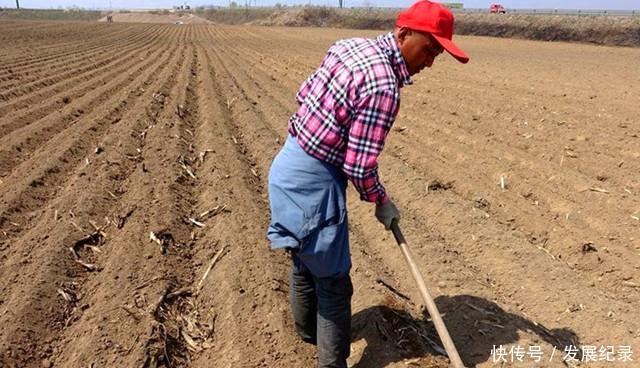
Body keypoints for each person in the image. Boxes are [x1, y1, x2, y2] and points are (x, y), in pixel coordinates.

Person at [267, 1, 469, 366]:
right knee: (333, 283)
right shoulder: (383, 87)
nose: (430, 62)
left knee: (302, 258)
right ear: (404, 33)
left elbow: (303, 96)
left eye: (438, 53)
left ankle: (308, 335)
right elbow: (359, 166)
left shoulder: (347, 45)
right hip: (315, 184)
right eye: (429, 49)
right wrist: (381, 201)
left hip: (287, 163)